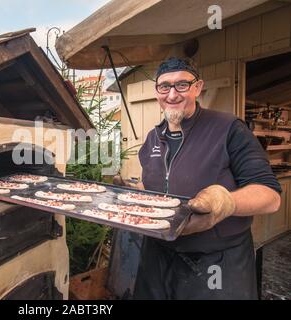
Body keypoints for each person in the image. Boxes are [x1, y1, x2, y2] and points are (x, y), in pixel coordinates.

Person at [114, 57, 281, 300]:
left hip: (217, 262)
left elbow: (270, 195)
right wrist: (133, 192)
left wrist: (226, 202)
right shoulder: (153, 137)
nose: (172, 94)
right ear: (157, 91)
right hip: (158, 256)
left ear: (197, 87)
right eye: (164, 86)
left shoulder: (229, 129)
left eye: (182, 85)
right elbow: (155, 185)